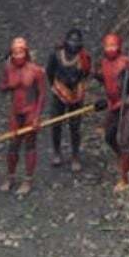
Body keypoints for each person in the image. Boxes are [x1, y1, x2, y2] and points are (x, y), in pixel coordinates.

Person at [94, 32, 129, 193]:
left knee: (124, 141)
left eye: (113, 46)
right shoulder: (103, 63)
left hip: (127, 104)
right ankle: (123, 159)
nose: (111, 49)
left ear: (119, 46)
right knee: (109, 137)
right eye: (108, 46)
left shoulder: (125, 62)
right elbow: (105, 80)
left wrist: (128, 74)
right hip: (113, 104)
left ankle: (125, 179)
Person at [0, 36, 46, 195]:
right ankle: (10, 177)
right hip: (15, 111)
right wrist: (8, 85)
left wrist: (37, 116)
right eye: (15, 53)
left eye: (21, 52)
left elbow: (42, 95)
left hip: (30, 111)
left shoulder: (35, 71)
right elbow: (2, 87)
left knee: (30, 145)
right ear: (11, 53)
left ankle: (28, 179)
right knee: (13, 145)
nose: (18, 56)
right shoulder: (8, 68)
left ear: (26, 53)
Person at [45, 28, 92, 172]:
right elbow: (49, 72)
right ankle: (57, 152)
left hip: (76, 93)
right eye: (71, 40)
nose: (73, 44)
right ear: (65, 41)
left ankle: (75, 156)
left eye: (76, 41)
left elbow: (86, 73)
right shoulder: (56, 55)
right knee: (56, 123)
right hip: (59, 91)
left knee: (75, 126)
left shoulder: (84, 57)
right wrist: (56, 86)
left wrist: (78, 86)